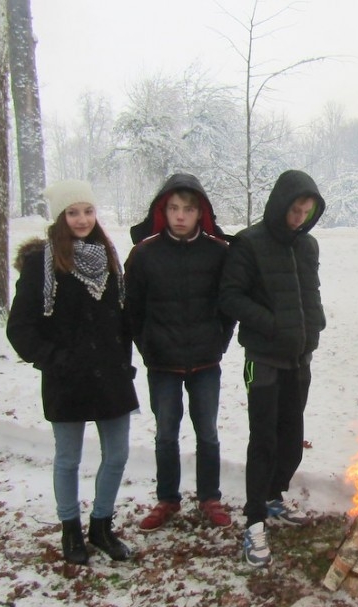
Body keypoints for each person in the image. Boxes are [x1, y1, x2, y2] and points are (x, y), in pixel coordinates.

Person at [7, 180, 138, 565]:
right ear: (61, 217)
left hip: (111, 376)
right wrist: (53, 359)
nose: (82, 219)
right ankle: (70, 531)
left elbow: (121, 315)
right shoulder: (41, 263)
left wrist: (124, 357)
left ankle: (101, 527)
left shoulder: (109, 257)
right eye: (73, 212)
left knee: (116, 455)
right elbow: (20, 327)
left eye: (88, 211)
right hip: (67, 378)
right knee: (68, 459)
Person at [219, 170, 326, 567]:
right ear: (280, 205)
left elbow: (309, 293)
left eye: (306, 211)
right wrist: (272, 323)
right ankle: (254, 522)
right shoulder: (250, 243)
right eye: (294, 210)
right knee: (262, 439)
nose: (299, 218)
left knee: (290, 435)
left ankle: (273, 497)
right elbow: (230, 297)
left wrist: (314, 325)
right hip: (262, 360)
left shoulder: (308, 246)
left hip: (300, 358)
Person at [125, 173, 235, 531]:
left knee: (208, 433)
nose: (181, 216)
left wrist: (219, 341)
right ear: (164, 210)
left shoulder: (219, 253)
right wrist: (148, 346)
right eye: (174, 208)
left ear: (200, 213)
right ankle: (167, 499)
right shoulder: (144, 254)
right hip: (163, 364)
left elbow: (228, 305)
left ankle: (210, 497)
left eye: (188, 209)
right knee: (165, 434)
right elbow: (134, 311)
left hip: (205, 361)